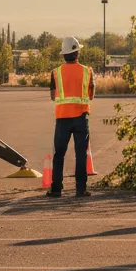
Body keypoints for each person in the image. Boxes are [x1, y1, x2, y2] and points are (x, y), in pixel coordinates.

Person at [48, 36, 95, 198]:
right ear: (77, 53)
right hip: (81, 117)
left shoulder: (56, 73)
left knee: (59, 154)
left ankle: (56, 189)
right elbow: (91, 94)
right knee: (81, 154)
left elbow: (53, 96)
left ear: (64, 54)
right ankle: (80, 189)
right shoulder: (87, 71)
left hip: (62, 118)